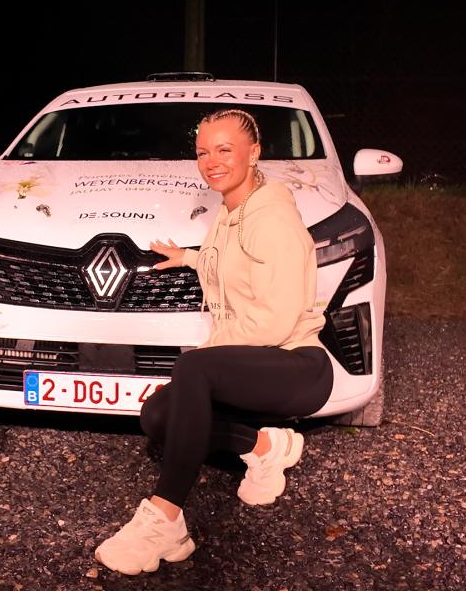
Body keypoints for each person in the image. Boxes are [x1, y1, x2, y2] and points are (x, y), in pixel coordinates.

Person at [94, 108, 334, 574]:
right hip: (258, 360)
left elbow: (276, 321)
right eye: (203, 152)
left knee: (192, 371)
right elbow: (230, 263)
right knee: (158, 415)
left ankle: (164, 518)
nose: (211, 161)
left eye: (225, 150)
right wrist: (188, 256)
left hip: (297, 363)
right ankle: (267, 447)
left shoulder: (273, 219)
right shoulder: (232, 212)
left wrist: (204, 359)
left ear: (255, 152)